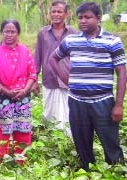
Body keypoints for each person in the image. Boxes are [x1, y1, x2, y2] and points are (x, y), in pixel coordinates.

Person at [49, 2, 127, 170]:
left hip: (103, 101)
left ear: (98, 18)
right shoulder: (71, 41)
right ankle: (87, 173)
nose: (83, 21)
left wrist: (119, 105)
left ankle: (116, 173)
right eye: (80, 18)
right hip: (77, 101)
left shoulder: (112, 41)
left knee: (110, 142)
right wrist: (65, 78)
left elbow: (122, 73)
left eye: (88, 17)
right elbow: (52, 59)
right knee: (82, 142)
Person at [0, 19, 37, 163]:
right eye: (6, 31)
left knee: (22, 130)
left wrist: (24, 90)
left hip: (23, 97)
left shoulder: (25, 51)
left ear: (18, 33)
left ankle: (20, 159)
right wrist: (6, 91)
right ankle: (1, 161)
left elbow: (32, 74)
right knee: (3, 131)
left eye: (13, 31)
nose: (9, 34)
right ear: (1, 33)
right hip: (2, 98)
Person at [33, 1, 77, 134]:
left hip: (67, 78)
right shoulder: (43, 33)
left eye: (59, 11)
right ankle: (52, 140)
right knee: (49, 112)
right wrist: (34, 78)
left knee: (69, 112)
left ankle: (68, 140)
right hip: (49, 78)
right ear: (50, 13)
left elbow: (76, 55)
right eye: (53, 11)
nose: (56, 14)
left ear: (66, 14)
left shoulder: (73, 32)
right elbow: (38, 55)